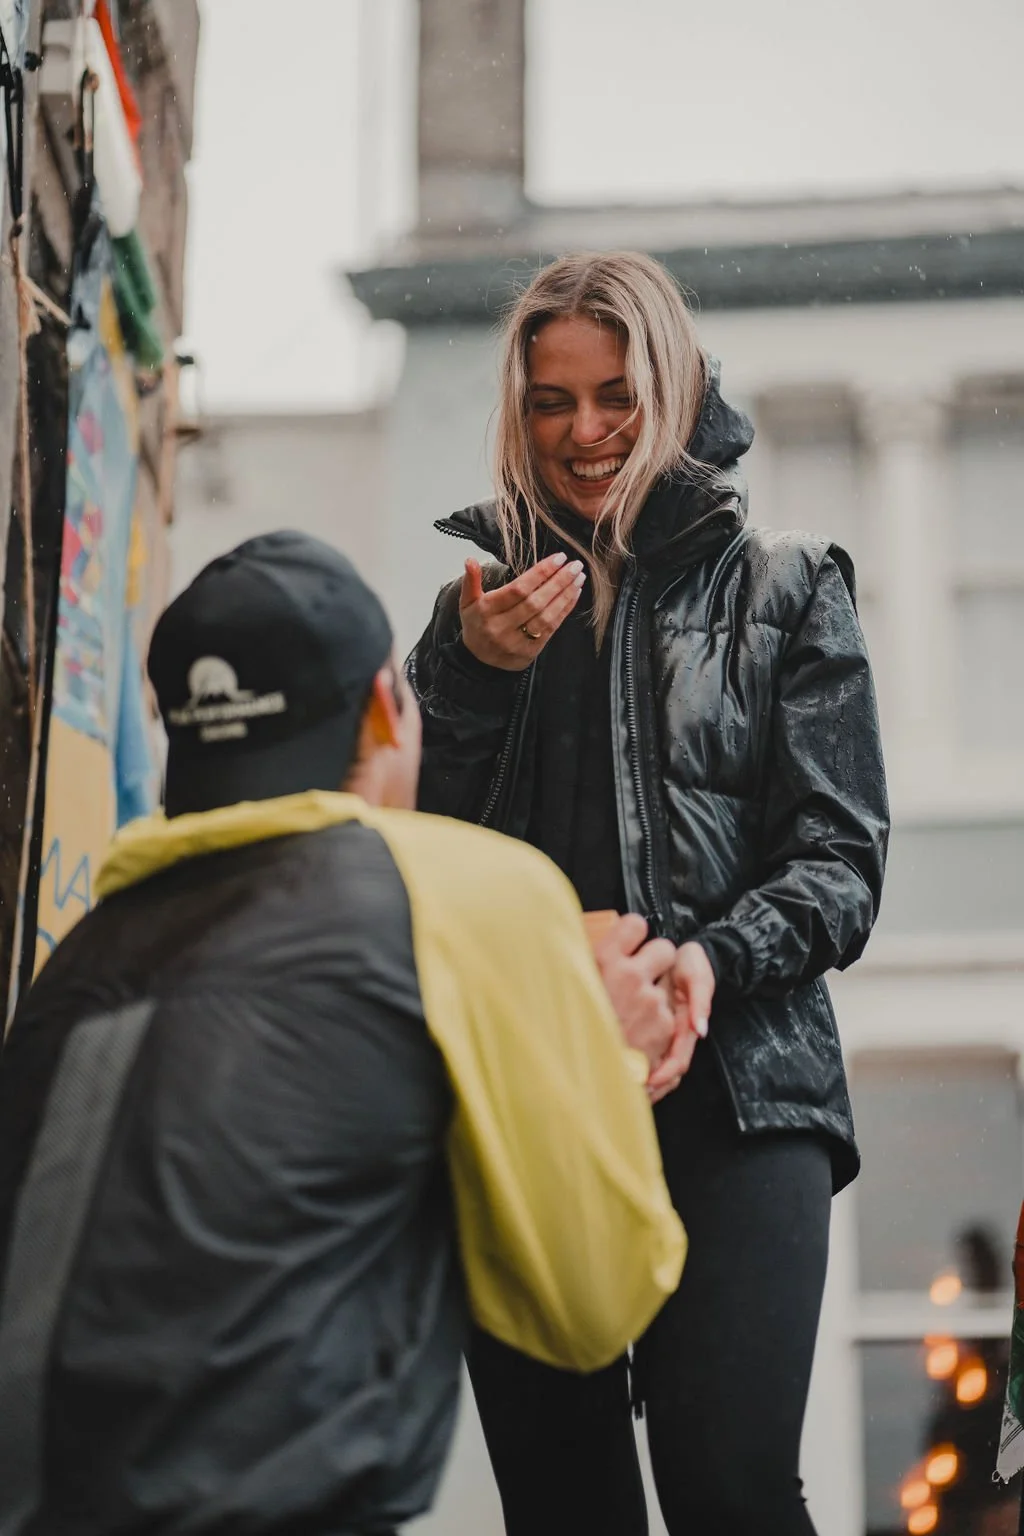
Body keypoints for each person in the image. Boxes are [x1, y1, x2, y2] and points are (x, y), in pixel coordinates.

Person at [0, 531, 689, 1536]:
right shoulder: (465, 890)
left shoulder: (77, 964)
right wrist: (604, 1055)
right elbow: (591, 1307)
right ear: (381, 705)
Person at [409, 251, 890, 1536]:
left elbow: (840, 860)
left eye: (615, 394)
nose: (585, 431)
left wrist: (708, 962)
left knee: (730, 1490)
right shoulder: (471, 619)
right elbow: (420, 870)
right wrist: (471, 679)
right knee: (564, 1511)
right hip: (526, 1108)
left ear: (673, 389)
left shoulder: (791, 586)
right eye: (551, 402)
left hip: (742, 1095)